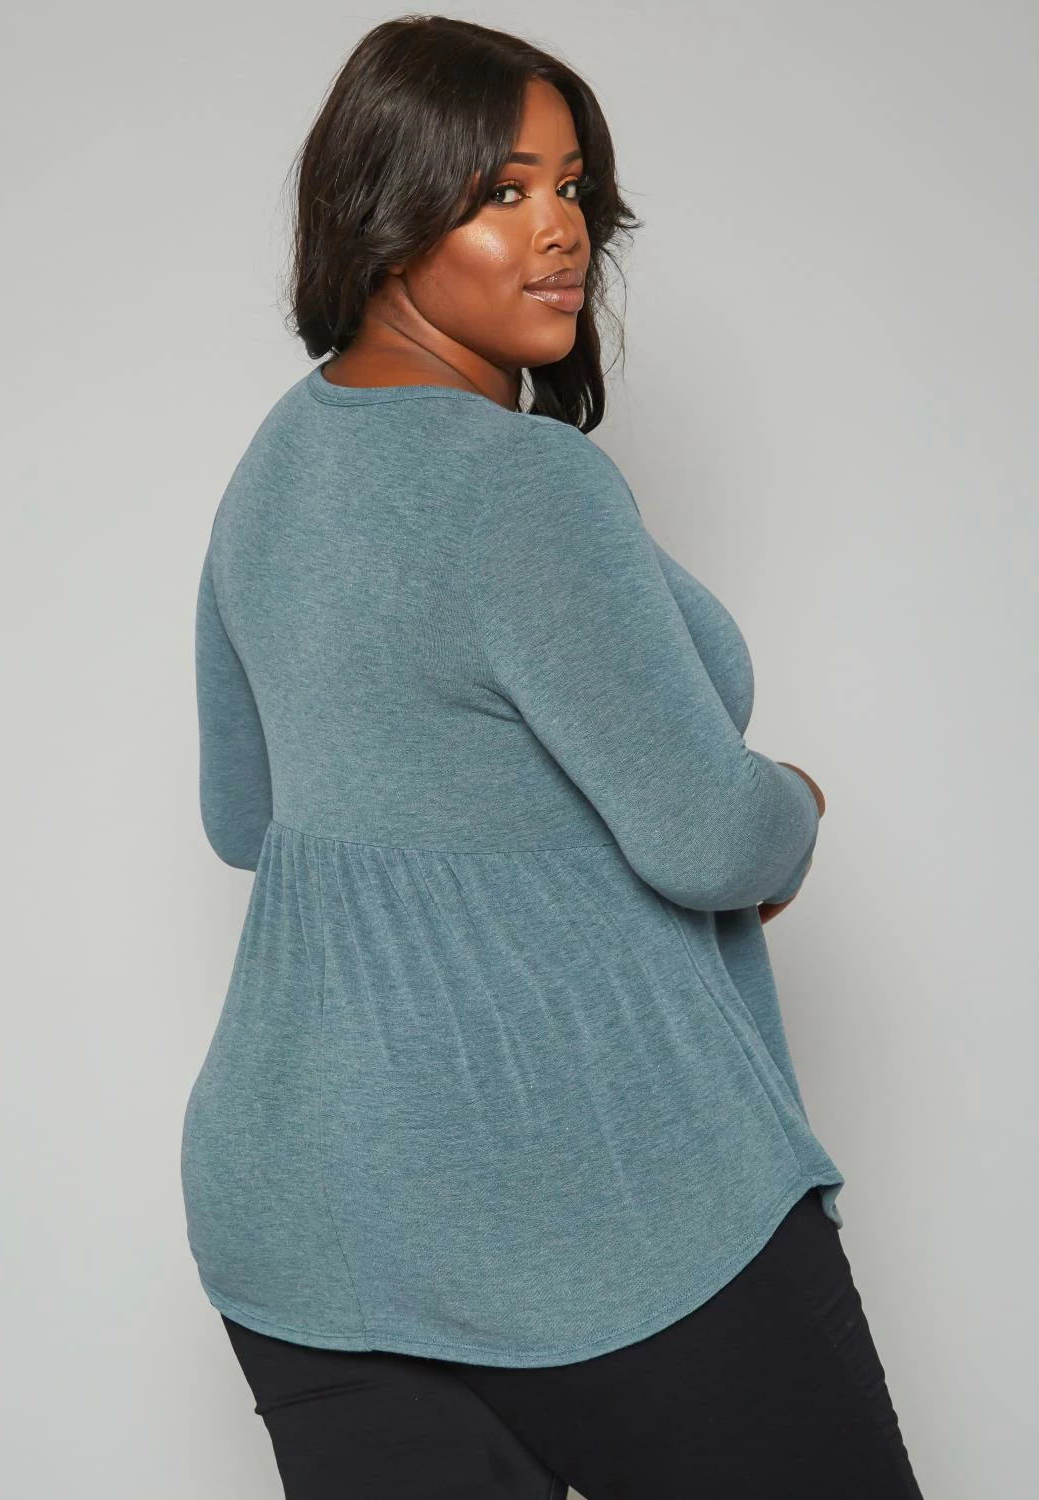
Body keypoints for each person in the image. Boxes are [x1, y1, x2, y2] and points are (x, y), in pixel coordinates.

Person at [181, 15, 925, 1498]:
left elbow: (243, 814)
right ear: (384, 215)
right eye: (499, 193)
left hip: (304, 1213)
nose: (560, 232)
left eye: (572, 187)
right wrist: (794, 803)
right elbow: (708, 841)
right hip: (593, 1195)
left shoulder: (276, 462)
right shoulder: (529, 484)